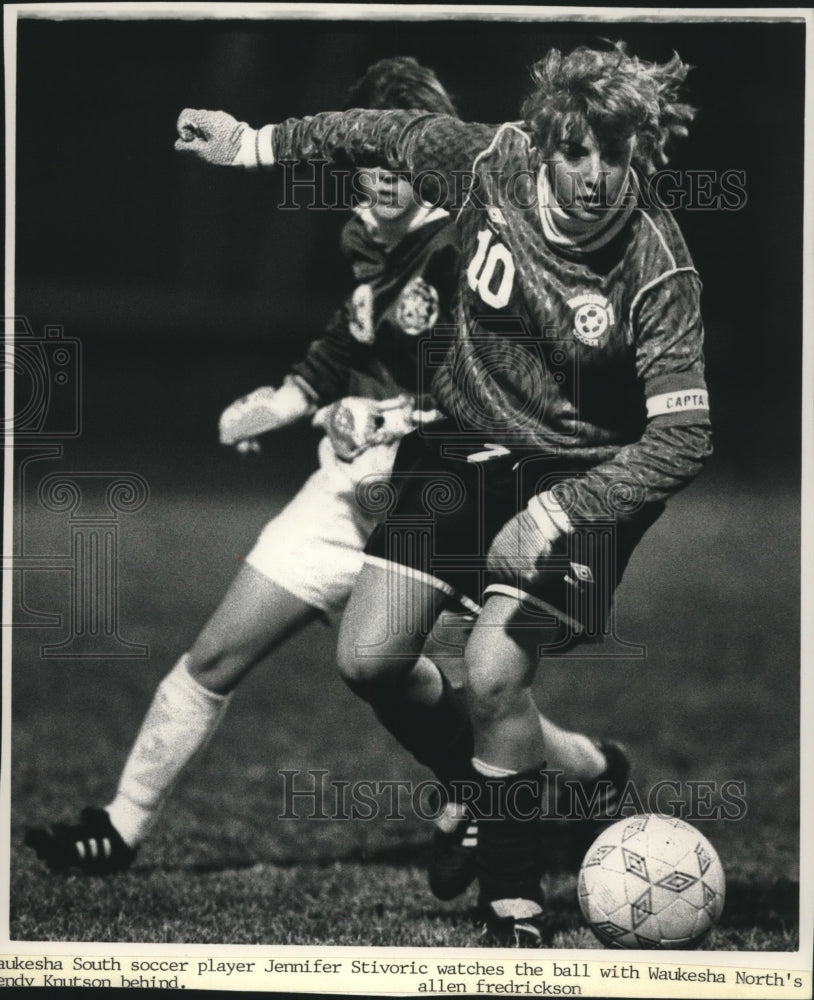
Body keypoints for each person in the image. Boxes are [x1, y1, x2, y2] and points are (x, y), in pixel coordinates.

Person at [25, 58, 624, 898]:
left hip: (448, 495)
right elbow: (353, 337)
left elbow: (491, 393)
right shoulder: (368, 235)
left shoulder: (468, 246)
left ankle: (519, 798)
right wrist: (292, 394)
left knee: (475, 687)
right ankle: (120, 827)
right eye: (366, 162)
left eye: (396, 163)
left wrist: (379, 420)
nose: (379, 178)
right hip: (349, 492)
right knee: (215, 655)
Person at [171, 41, 711, 946]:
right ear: (544, 141)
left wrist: (554, 513)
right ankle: (531, 785)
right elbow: (373, 127)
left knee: (496, 671)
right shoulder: (488, 160)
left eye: (616, 155)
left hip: (582, 473)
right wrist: (248, 144)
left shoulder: (656, 266)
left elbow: (684, 438)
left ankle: (513, 899)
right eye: (576, 151)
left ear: (639, 153)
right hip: (460, 440)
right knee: (369, 660)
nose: (596, 176)